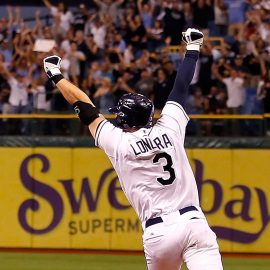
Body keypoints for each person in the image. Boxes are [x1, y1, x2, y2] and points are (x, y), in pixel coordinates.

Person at [43, 28, 223, 270]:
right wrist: (193, 48)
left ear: (124, 119)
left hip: (158, 232)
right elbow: (180, 87)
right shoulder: (170, 127)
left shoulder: (117, 141)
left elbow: (83, 105)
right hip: (193, 221)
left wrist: (55, 74)